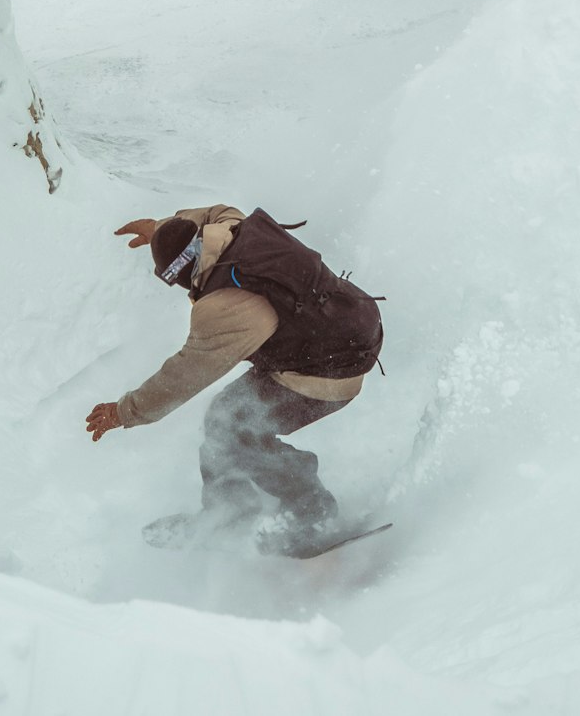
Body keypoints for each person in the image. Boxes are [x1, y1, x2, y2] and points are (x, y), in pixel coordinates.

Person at [85, 203, 383, 553]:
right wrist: (161, 230)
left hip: (329, 373)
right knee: (223, 417)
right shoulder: (232, 230)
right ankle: (229, 511)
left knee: (236, 432)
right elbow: (213, 214)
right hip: (349, 327)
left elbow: (185, 375)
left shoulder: (225, 307)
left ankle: (311, 511)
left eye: (171, 277)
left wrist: (125, 411)